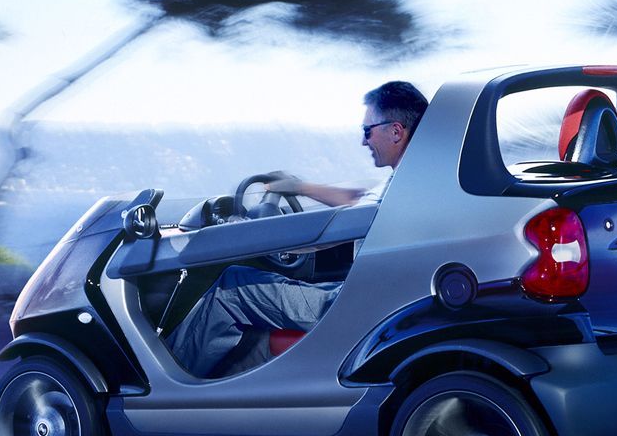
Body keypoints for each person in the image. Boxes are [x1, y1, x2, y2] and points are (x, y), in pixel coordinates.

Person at [166, 81, 428, 378]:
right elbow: (357, 200)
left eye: (367, 131)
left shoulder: (403, 185)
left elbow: (332, 231)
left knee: (231, 287)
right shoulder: (415, 178)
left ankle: (172, 386)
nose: (363, 141)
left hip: (358, 307)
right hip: (381, 298)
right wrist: (298, 187)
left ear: (396, 131)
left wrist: (252, 234)